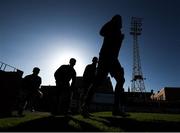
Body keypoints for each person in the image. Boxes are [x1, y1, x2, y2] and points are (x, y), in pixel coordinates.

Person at [81, 15, 126, 117]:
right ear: (115, 20)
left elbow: (116, 49)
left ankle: (116, 109)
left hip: (113, 59)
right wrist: (111, 22)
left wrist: (120, 39)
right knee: (97, 82)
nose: (120, 22)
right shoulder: (110, 27)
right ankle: (85, 107)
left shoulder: (118, 32)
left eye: (120, 20)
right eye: (118, 20)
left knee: (120, 80)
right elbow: (101, 32)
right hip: (105, 57)